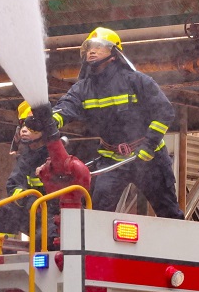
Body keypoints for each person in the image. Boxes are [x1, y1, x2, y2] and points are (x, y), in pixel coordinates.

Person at [48, 27, 184, 218]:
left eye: (99, 47)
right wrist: (51, 120)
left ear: (114, 53)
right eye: (89, 48)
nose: (92, 52)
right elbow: (67, 106)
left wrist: (149, 145)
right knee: (99, 214)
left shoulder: (137, 81)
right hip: (111, 159)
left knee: (168, 213)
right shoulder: (82, 88)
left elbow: (165, 111)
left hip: (149, 159)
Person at [0, 101, 59, 242]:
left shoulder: (57, 154)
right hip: (34, 210)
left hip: (54, 214)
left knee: (44, 238)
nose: (24, 130)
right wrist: (28, 199)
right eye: (22, 125)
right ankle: (2, 250)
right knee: (2, 210)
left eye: (30, 126)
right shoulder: (26, 156)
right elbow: (12, 185)